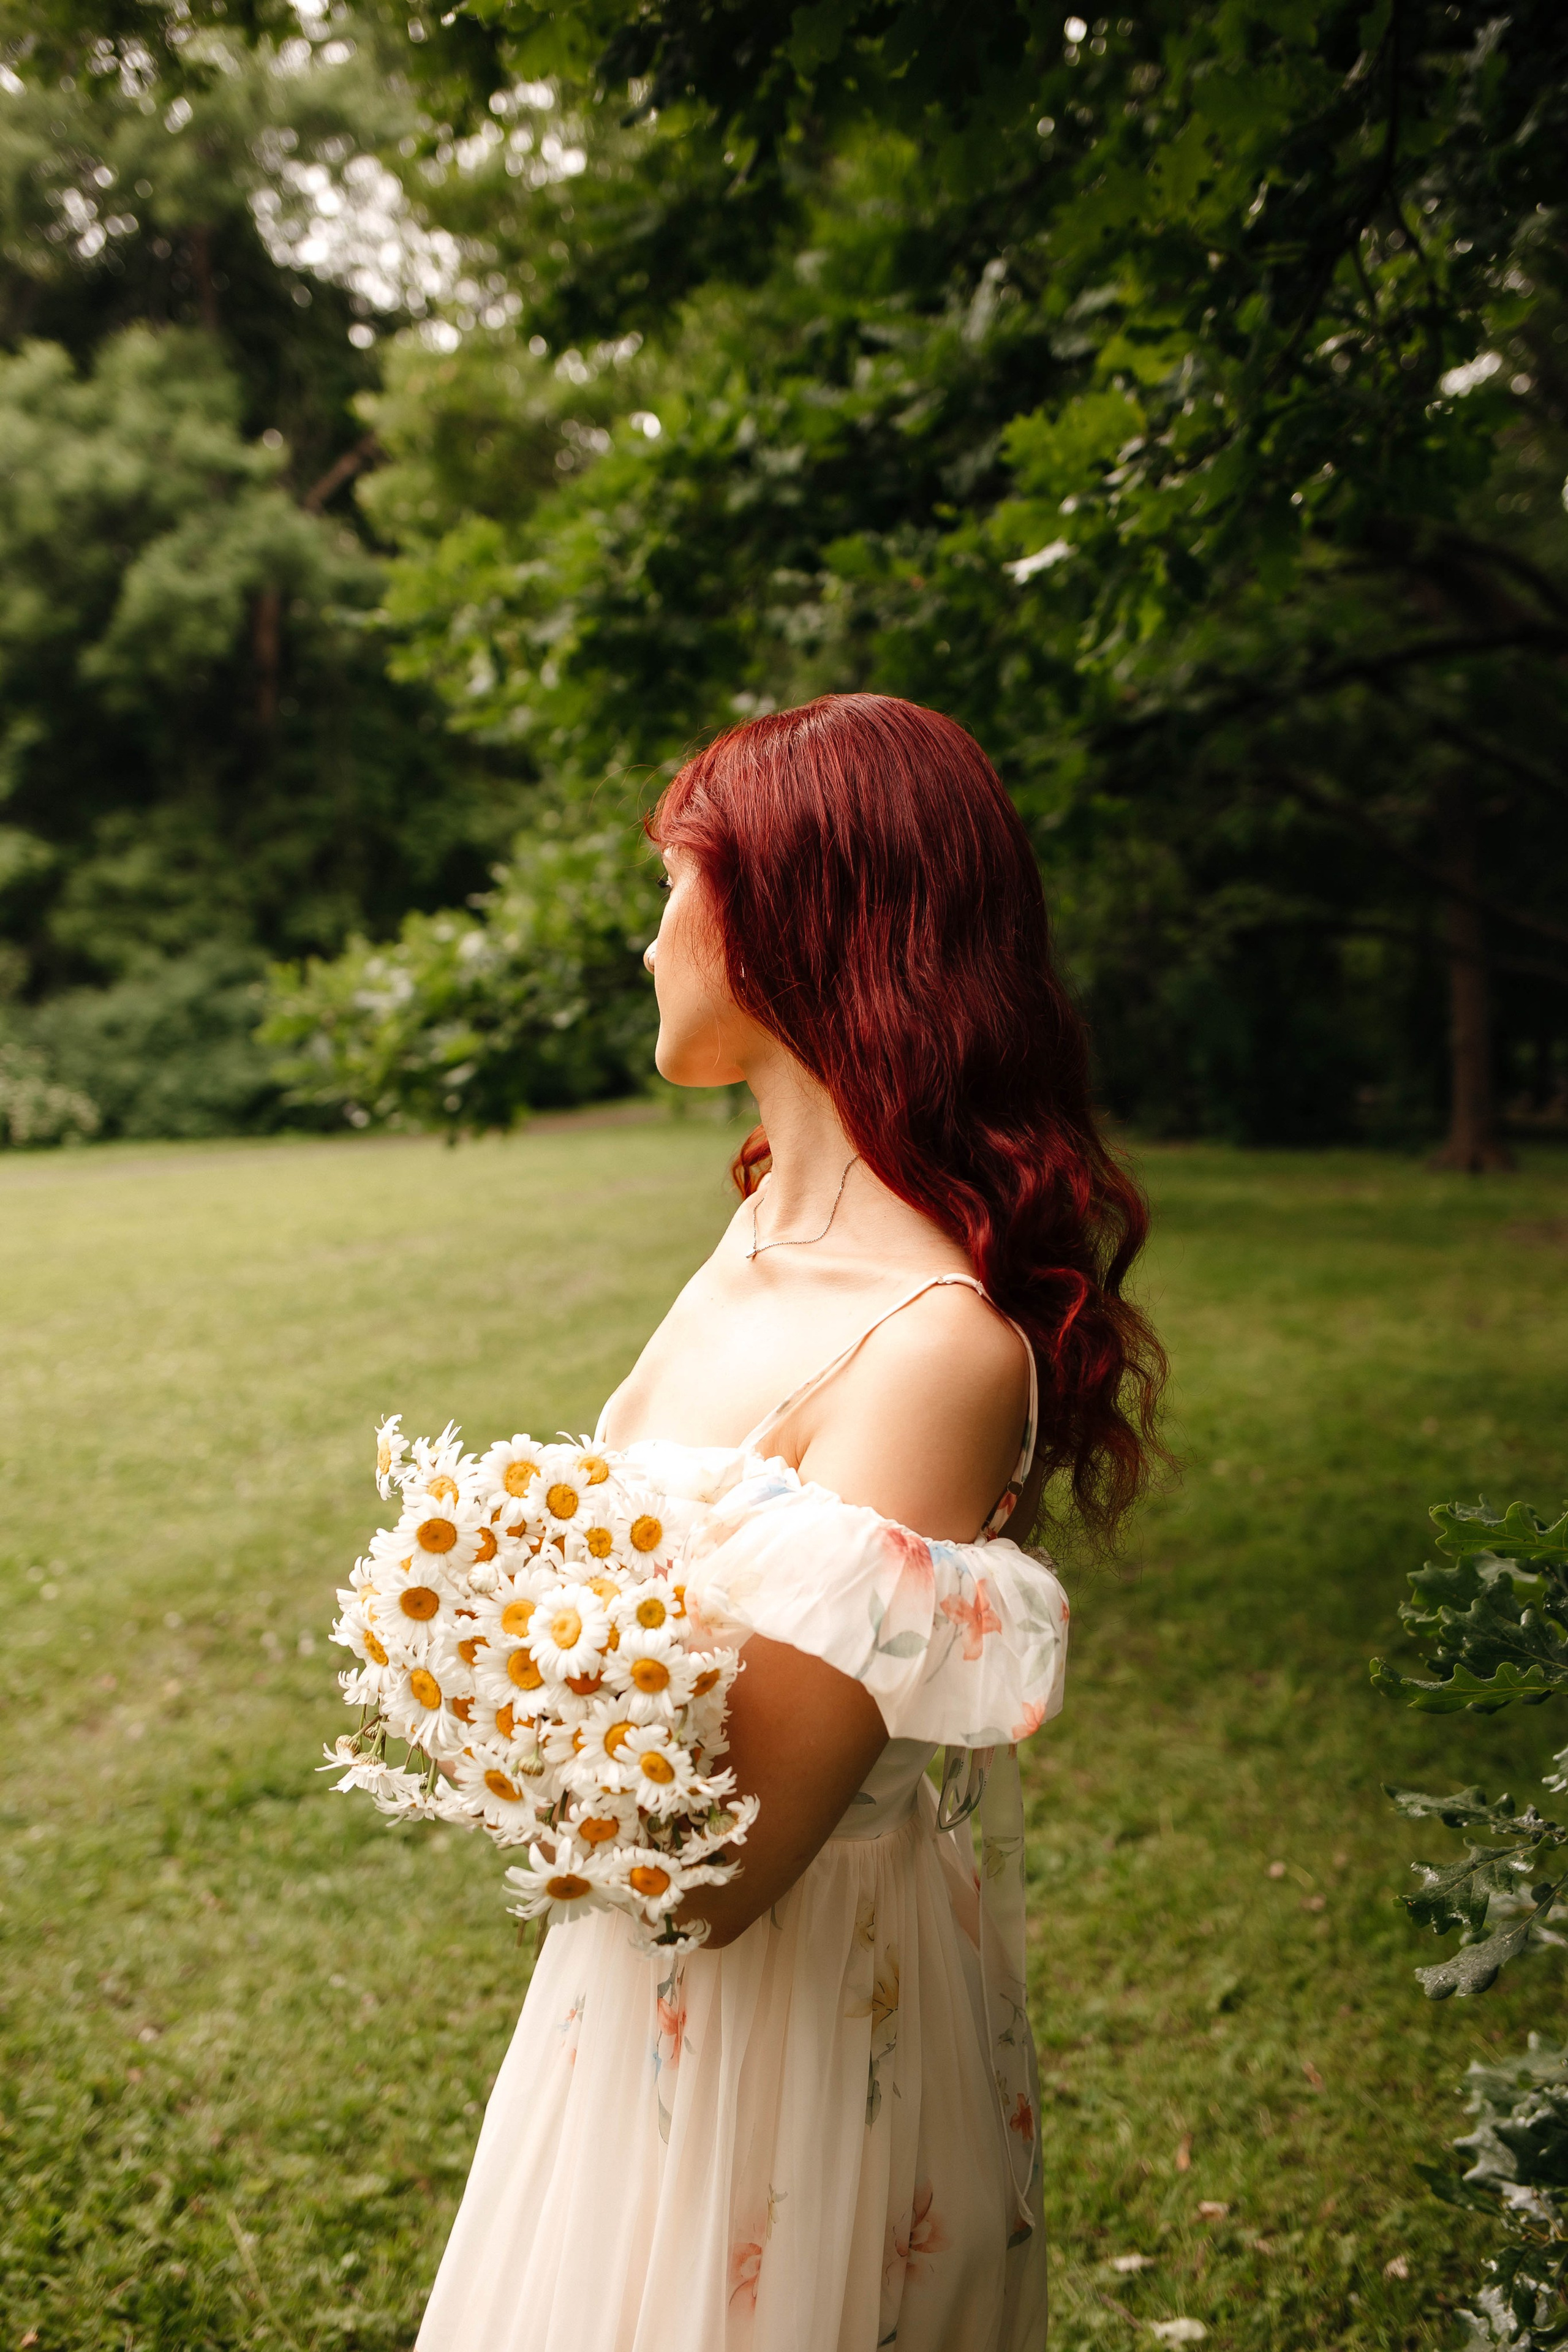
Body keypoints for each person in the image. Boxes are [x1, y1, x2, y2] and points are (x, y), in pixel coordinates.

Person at [415, 693, 1164, 2352]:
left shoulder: (932, 1350)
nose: (648, 942)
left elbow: (721, 1873)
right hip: (624, 2003)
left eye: (671, 887)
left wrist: (493, 1714)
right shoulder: (760, 1227)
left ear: (785, 912)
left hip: (786, 2060)